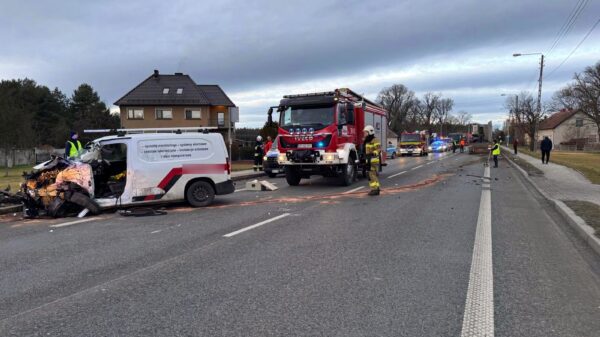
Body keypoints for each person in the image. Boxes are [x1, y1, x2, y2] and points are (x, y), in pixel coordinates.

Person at [363, 125, 381, 196]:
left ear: (370, 132)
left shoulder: (375, 140)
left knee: (371, 175)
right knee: (370, 175)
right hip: (369, 160)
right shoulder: (367, 140)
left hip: (373, 160)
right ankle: (376, 188)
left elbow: (379, 149)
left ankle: (375, 189)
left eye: (366, 132)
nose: (364, 134)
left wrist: (374, 152)